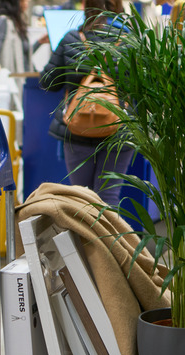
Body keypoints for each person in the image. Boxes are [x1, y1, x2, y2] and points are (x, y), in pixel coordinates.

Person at [39, 0, 133, 207]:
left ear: (86, 6)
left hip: (78, 129)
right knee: (108, 198)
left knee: (82, 199)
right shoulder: (130, 41)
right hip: (118, 130)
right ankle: (108, 240)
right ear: (117, 6)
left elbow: (48, 82)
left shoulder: (72, 39)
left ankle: (84, 240)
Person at [0, 0, 46, 82]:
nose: (26, 2)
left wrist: (39, 42)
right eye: (23, 0)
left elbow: (23, 54)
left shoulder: (17, 23)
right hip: (14, 80)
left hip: (26, 80)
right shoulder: (3, 21)